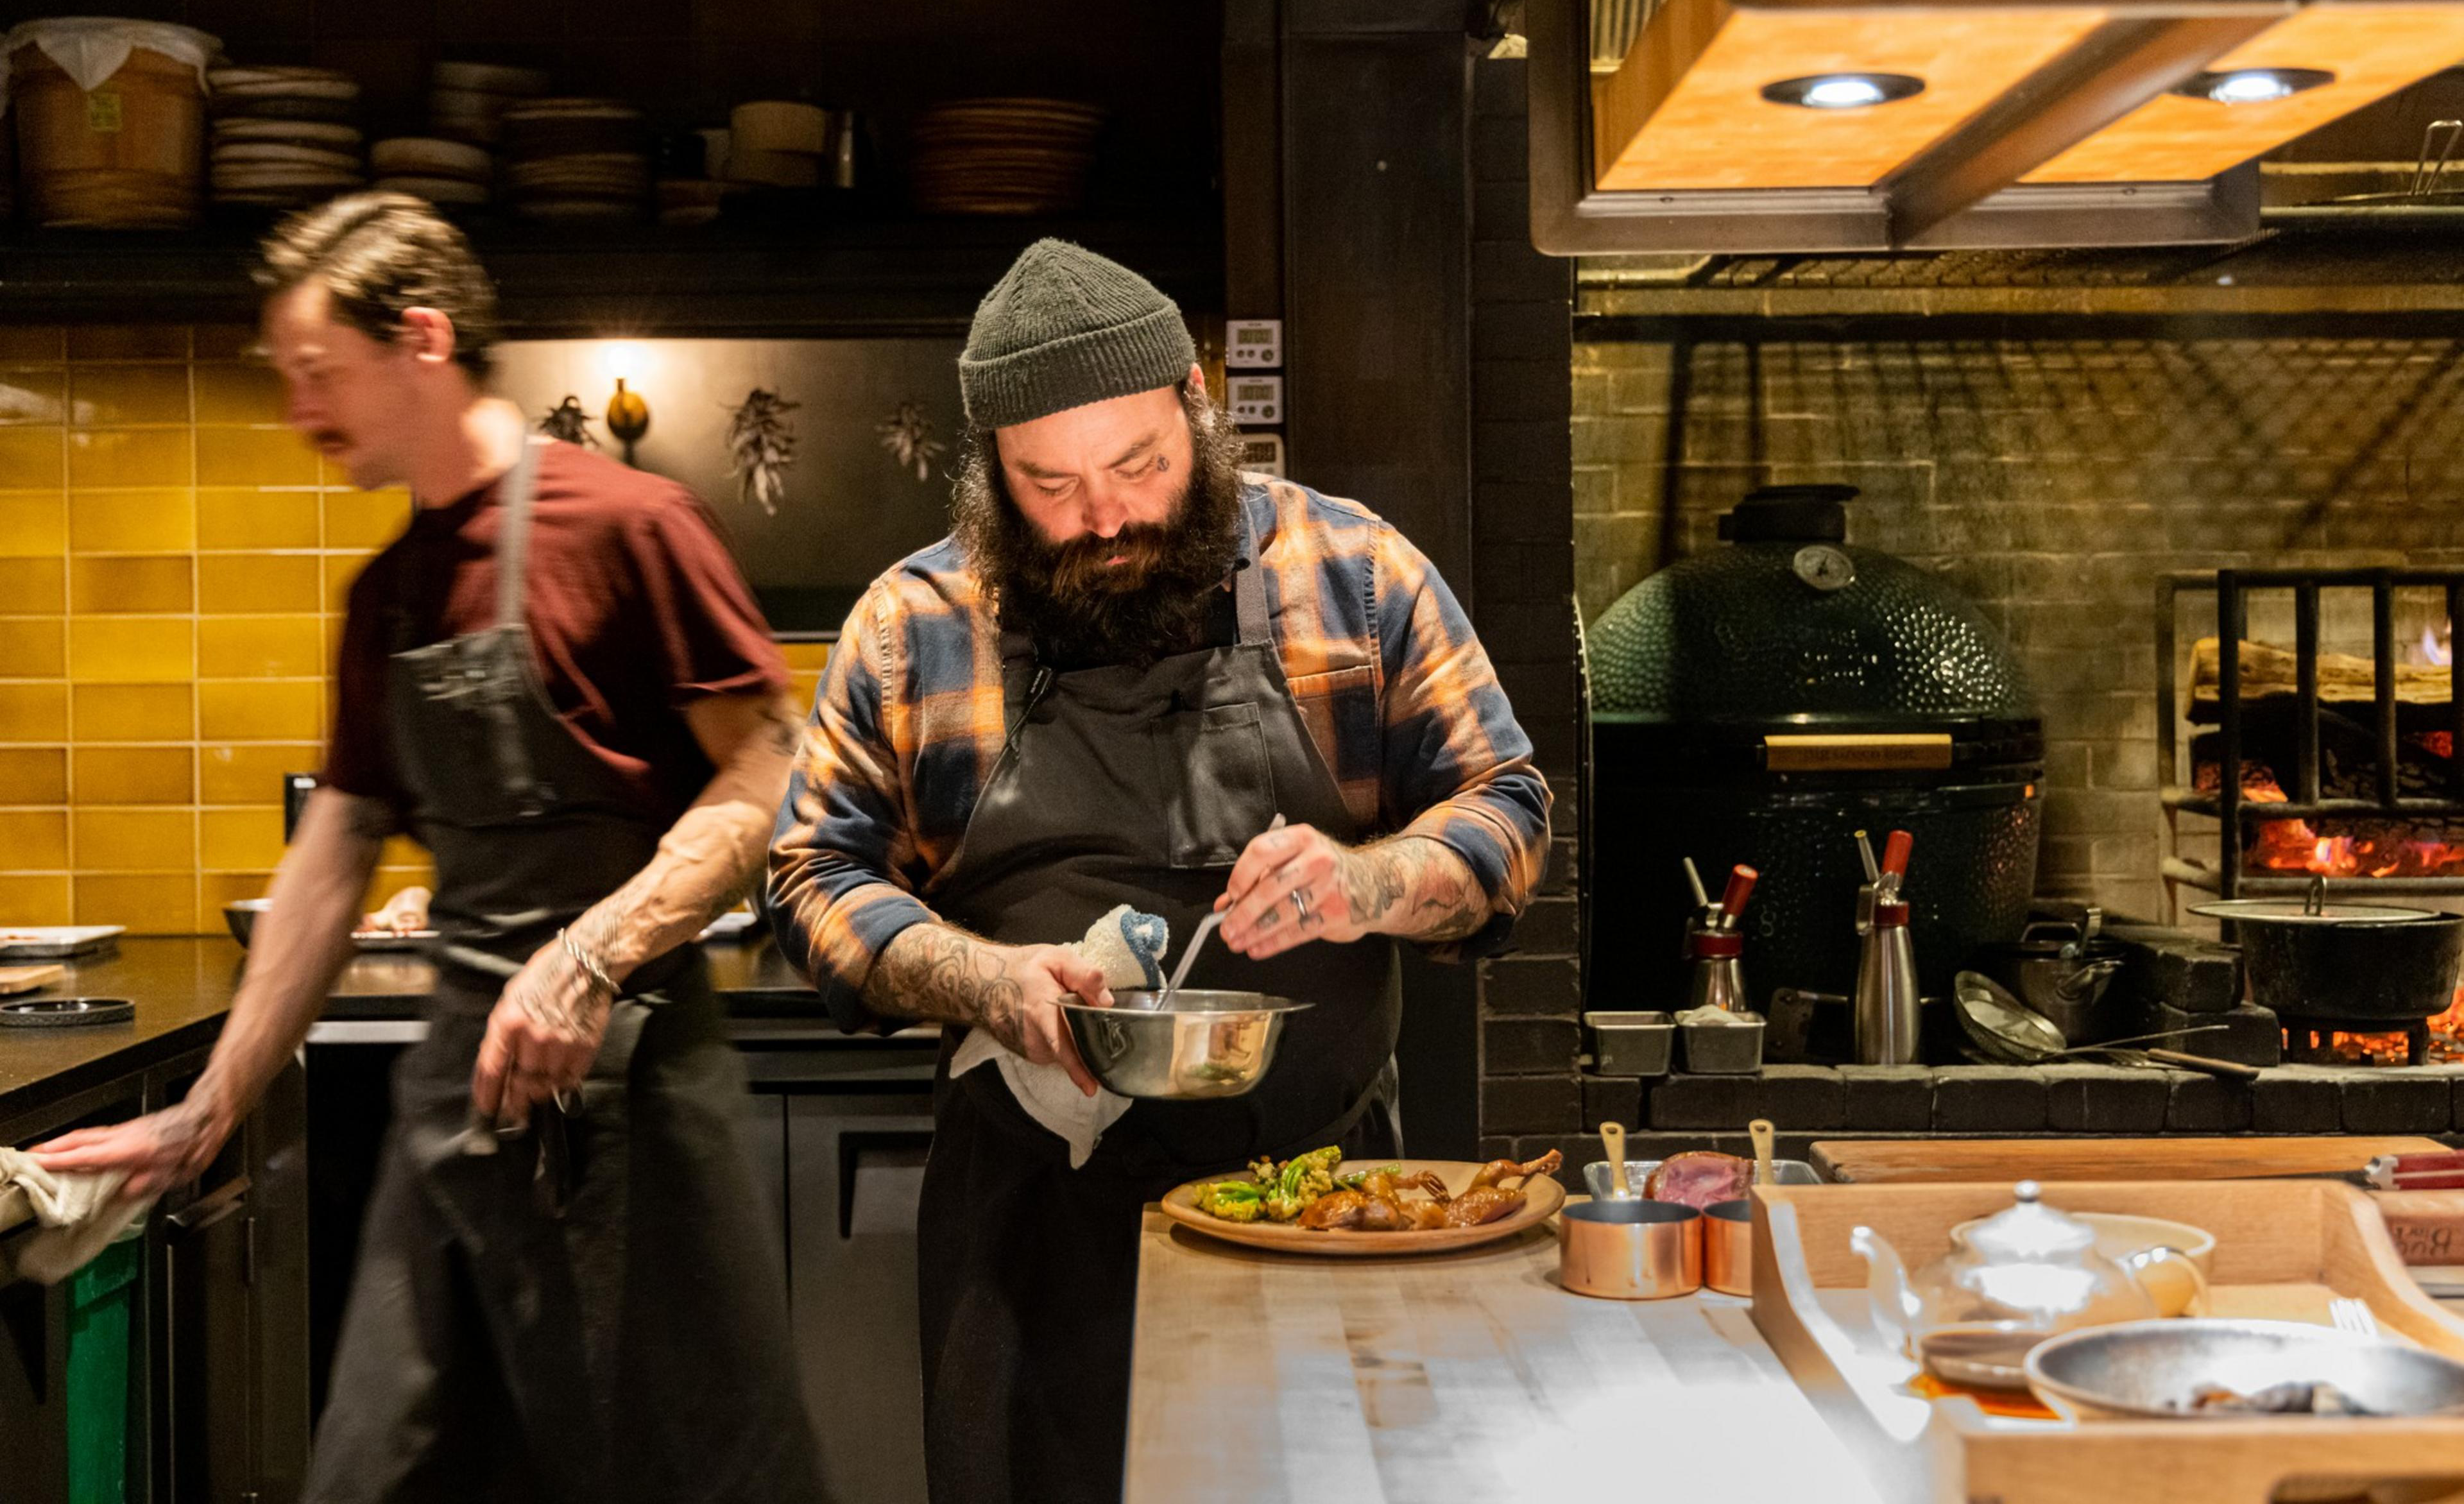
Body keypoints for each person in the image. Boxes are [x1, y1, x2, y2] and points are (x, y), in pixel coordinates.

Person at [33, 194, 826, 1503]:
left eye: (314, 372)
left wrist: (590, 955)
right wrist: (205, 1110)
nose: (298, 412)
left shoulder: (629, 524)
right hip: (458, 1091)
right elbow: (332, 857)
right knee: (381, 1462)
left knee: (676, 1466)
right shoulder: (389, 592)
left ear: (422, 336)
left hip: (627, 1089)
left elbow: (765, 764)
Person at [767, 238, 1552, 1504]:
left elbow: (1505, 811)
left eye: (1136, 463)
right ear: (992, 474)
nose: (1106, 517)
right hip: (1031, 1223)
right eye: (1050, 485)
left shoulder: (1351, 577)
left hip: (1320, 1206)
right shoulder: (914, 628)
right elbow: (814, 872)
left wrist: (1369, 879)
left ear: (1196, 399)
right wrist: (983, 976)